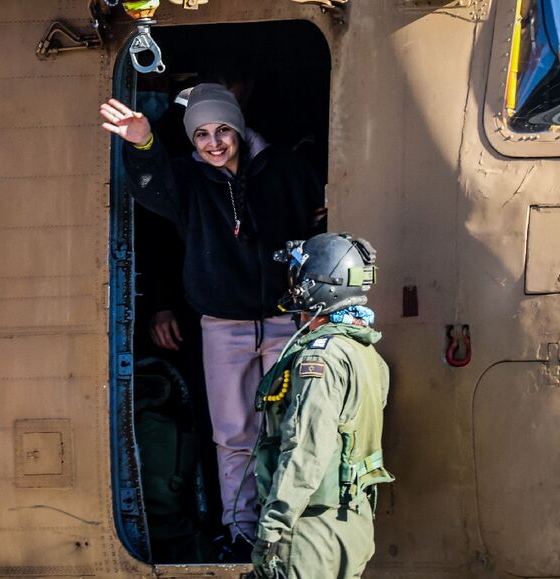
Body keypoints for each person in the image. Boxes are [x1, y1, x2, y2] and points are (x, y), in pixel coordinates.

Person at [101, 83, 326, 558]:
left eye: (223, 129)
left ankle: (284, 528)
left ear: (240, 130)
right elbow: (151, 185)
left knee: (286, 430)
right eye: (201, 134)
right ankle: (242, 529)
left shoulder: (284, 168)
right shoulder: (187, 179)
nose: (214, 142)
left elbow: (317, 222)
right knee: (233, 435)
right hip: (223, 326)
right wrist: (142, 143)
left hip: (286, 320)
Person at [250, 232, 395, 579]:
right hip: (352, 528)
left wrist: (272, 528)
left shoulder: (320, 358)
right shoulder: (367, 354)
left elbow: (306, 451)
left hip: (308, 533)